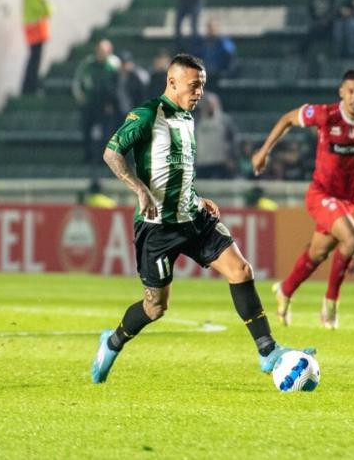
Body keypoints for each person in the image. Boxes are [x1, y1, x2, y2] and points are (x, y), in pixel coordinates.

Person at [91, 54, 314, 383]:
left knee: (241, 270)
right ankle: (112, 342)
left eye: (203, 87)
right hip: (157, 228)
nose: (200, 93)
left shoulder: (187, 119)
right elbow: (112, 153)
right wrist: (139, 190)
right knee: (155, 307)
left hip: (194, 218)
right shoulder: (147, 114)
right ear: (172, 82)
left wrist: (196, 197)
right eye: (194, 86)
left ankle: (267, 352)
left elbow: (178, 170)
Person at [251, 69, 354, 329]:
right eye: (351, 92)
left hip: (348, 199)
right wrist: (264, 152)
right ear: (341, 92)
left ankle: (284, 290)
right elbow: (287, 119)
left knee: (318, 253)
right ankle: (330, 304)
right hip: (321, 195)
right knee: (353, 239)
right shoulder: (325, 115)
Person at [72, 39, 121, 164]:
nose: (102, 54)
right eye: (100, 51)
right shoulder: (88, 63)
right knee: (86, 129)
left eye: (105, 51)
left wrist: (112, 103)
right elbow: (78, 81)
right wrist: (81, 97)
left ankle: (104, 158)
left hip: (106, 104)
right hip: (90, 102)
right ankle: (88, 156)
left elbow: (118, 85)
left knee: (107, 132)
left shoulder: (114, 65)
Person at [21, 0, 53, 95]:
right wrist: (49, 9)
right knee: (36, 59)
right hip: (38, 28)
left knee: (32, 58)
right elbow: (46, 9)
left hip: (30, 28)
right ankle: (31, 87)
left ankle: (27, 86)